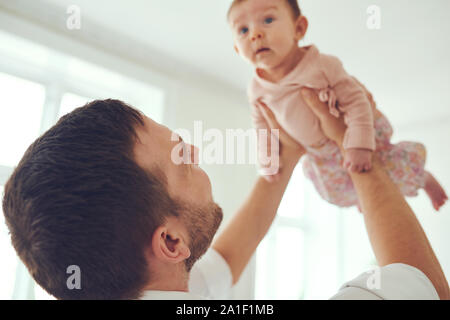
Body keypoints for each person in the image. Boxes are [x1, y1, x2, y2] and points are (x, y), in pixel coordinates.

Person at [2, 86, 448, 299]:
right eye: (181, 155)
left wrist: (289, 149)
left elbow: (230, 256)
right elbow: (423, 286)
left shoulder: (154, 281)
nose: (194, 148)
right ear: (171, 241)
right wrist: (356, 149)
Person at [227, 0, 448, 210]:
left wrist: (359, 144)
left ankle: (423, 178)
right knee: (332, 190)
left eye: (267, 20)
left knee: (387, 166)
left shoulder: (323, 65)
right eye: (243, 30)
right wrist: (268, 159)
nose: (255, 34)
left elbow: (356, 100)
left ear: (299, 29)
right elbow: (262, 126)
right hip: (318, 151)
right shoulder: (256, 89)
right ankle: (361, 197)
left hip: (354, 130)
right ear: (237, 50)